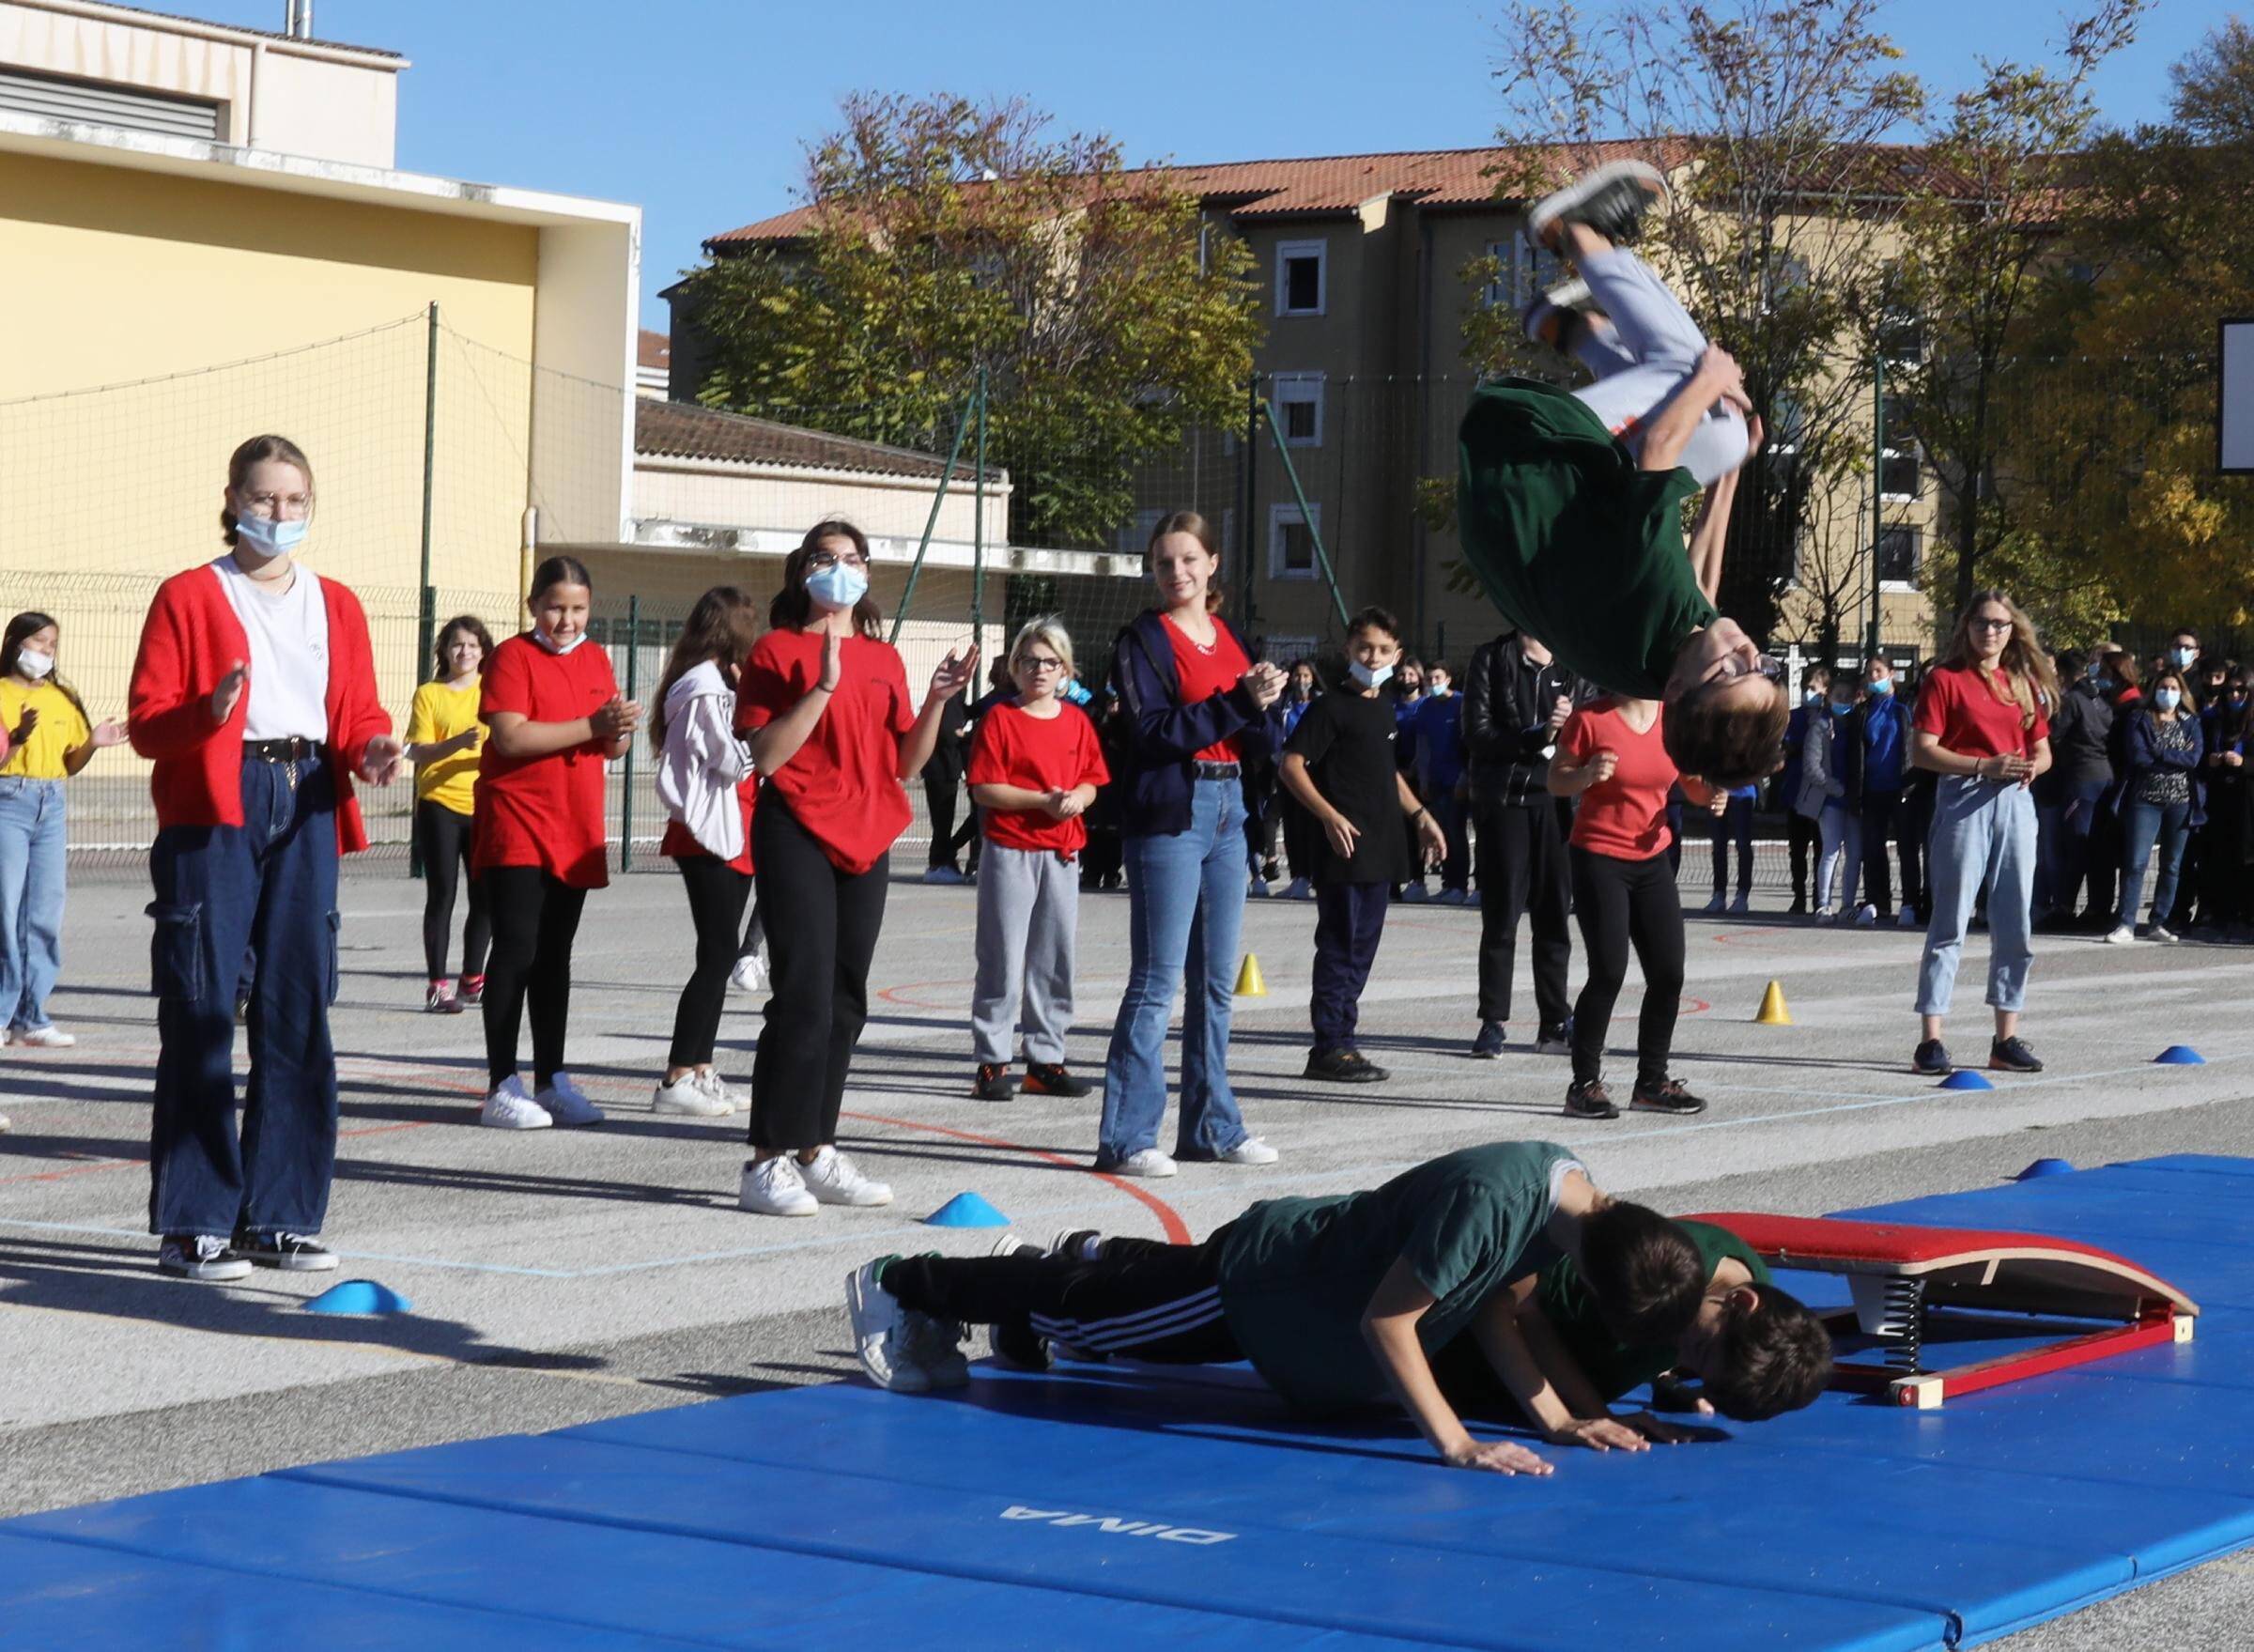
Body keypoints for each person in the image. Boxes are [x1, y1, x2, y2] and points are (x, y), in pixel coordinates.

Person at [844, 1141, 1708, 1476]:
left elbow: (1503, 1310)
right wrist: (1458, 1442)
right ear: (1596, 1269)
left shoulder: (1575, 1204)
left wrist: (1565, 1418)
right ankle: (904, 1280)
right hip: (1273, 1289)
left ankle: (1060, 1275)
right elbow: (1389, 1323)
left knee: (1106, 1308)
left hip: (1301, 1296)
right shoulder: (1498, 1202)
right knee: (1099, 1321)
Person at [129, 433, 403, 1281]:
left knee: (297, 1010)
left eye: (293, 500)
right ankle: (194, 1222)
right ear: (233, 498)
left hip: (308, 793)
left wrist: (374, 750)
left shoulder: (338, 603)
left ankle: (276, 1215)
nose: (278, 513)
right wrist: (206, 713)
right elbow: (147, 723)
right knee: (204, 1008)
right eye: (263, 497)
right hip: (220, 801)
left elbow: (356, 712)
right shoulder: (188, 595)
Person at [1457, 159, 1784, 792]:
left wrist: (1713, 379)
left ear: (1681, 688)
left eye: (1732, 670)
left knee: (1694, 371)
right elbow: (1700, 583)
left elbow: (1660, 447)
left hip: (1522, 459)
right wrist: (1729, 479)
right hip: (1527, 511)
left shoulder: (1645, 605)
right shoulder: (1659, 661)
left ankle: (1572, 231)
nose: (1747, 650)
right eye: (1761, 666)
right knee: (1721, 435)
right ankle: (1567, 327)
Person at [736, 520, 978, 1216]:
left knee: (846, 998)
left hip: (868, 833)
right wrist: (820, 688)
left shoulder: (883, 658)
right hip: (797, 828)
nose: (838, 570)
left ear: (867, 573)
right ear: (802, 571)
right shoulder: (775, 651)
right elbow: (768, 757)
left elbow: (904, 763)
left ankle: (817, 1146)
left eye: (850, 559)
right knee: (802, 996)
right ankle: (766, 1159)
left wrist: (935, 699)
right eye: (824, 558)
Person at [1097, 510, 1285, 1178]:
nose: (1175, 572)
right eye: (1162, 563)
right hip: (1174, 811)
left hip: (1231, 806)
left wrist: (1266, 706)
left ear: (1212, 565)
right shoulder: (1143, 639)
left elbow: (1256, 734)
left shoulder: (1232, 636)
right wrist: (1240, 701)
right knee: (1155, 980)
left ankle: (1210, 1124)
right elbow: (1150, 730)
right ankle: (1126, 1137)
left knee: (1214, 983)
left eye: (1187, 560)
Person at [471, 555, 640, 1131]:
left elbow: (607, 746)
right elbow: (512, 737)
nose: (566, 619)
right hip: (518, 821)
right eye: (555, 607)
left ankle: (553, 1079)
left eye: (577, 609)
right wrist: (594, 726)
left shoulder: (595, 657)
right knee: (516, 950)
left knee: (555, 958)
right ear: (533, 606)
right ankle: (501, 1083)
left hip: (575, 828)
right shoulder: (512, 657)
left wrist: (617, 729)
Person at [1430, 1215, 1834, 1426]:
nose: (1687, 1359)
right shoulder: (1650, 1271)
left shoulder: (1751, 1301)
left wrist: (1667, 1383)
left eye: (1701, 1373)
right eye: (1700, 1350)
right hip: (1455, 1349)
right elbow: (1516, 1301)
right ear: (1739, 1302)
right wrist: (1592, 1414)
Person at [1279, 607, 1448, 1085]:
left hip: (1381, 847)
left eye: (1381, 650)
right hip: (1344, 848)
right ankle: (1329, 1045)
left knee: (1362, 949)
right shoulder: (1330, 707)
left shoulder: (1384, 708)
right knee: (1340, 945)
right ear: (1347, 651)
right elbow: (1292, 766)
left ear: (1396, 655)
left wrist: (1420, 816)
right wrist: (1329, 816)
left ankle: (1344, 1040)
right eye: (1363, 648)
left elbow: (1387, 773)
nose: (1372, 657)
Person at [1548, 694, 1724, 1119]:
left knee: (1668, 972)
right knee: (1608, 970)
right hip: (1598, 856)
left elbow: (1692, 784)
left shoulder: (1673, 720)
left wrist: (1715, 792)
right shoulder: (1591, 718)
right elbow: (1556, 780)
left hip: (1653, 860)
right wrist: (1587, 774)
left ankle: (1651, 1082)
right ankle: (1584, 1085)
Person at [1909, 593, 2055, 1077]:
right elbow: (1924, 751)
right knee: (1950, 919)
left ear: (2012, 630)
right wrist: (1981, 764)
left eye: (1999, 624)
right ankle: (1932, 1039)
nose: (1989, 632)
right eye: (1980, 623)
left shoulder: (2022, 683)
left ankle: (2006, 1037)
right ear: (1966, 626)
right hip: (1964, 795)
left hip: (2015, 801)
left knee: (2015, 922)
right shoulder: (1944, 679)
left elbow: (2043, 750)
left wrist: (2033, 766)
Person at [965, 615, 1109, 1102]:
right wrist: (1040, 801)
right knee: (1002, 956)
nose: (1040, 671)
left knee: (1054, 957)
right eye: (1030, 661)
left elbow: (1092, 779)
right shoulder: (1001, 719)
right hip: (1011, 849)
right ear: (1016, 667)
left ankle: (1046, 1058)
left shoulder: (1077, 721)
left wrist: (1078, 800)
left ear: (1065, 669)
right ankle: (992, 1060)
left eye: (1050, 662)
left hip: (1062, 851)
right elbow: (985, 787)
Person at [650, 586, 764, 1119]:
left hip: (734, 826)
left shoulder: (715, 681)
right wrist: (759, 744)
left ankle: (700, 1066)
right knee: (717, 952)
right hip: (709, 830)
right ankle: (676, 1073)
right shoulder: (703, 687)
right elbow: (731, 758)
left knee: (719, 953)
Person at [0, 612, 123, 1046]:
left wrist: (93, 742)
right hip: (7, 800)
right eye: (36, 642)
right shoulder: (0, 693)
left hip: (50, 804)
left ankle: (30, 1017)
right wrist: (15, 740)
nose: (44, 652)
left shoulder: (61, 697)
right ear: (15, 643)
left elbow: (71, 763)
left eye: (51, 645)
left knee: (44, 911)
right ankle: (1, 1014)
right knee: (4, 908)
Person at [1464, 629, 1579, 1058]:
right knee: (1501, 916)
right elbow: (1476, 733)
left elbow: (1591, 727)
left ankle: (1555, 1022)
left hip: (1558, 799)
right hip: (1506, 798)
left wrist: (1570, 730)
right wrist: (1536, 735)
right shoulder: (1492, 658)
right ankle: (1493, 1021)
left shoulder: (1573, 660)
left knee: (1554, 915)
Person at [401, 615, 493, 1015]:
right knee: (443, 894)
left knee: (486, 895)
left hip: (484, 803)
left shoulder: (493, 692)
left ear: (483, 651)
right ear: (444, 651)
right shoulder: (430, 694)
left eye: (472, 645)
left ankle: (473, 978)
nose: (465, 652)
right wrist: (454, 743)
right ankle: (437, 987)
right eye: (457, 644)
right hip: (439, 802)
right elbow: (416, 750)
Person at [2105, 667, 2202, 946]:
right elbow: (2139, 757)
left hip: (2181, 801)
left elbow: (2193, 759)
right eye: (2163, 688)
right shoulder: (2140, 718)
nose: (2168, 693)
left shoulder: (2190, 721)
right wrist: (2174, 756)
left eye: (2173, 688)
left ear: (2181, 692)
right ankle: (2126, 922)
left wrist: (2160, 751)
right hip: (2145, 799)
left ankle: (2158, 921)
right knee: (2136, 862)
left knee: (2171, 865)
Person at [2033, 648, 2113, 934]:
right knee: (2096, 846)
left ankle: (2064, 907)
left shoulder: (2073, 701)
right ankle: (2097, 907)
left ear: (2064, 674)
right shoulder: (2100, 701)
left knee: (2075, 845)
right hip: (2103, 774)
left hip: (2080, 776)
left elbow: (2053, 735)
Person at [1848, 657, 1913, 926]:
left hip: (1901, 787)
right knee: (1872, 848)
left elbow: (1912, 746)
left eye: (1879, 671)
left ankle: (1910, 903)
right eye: (1870, 673)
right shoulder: (1864, 711)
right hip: (1872, 788)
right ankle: (1877, 902)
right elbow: (1857, 751)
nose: (1874, 676)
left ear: (1891, 674)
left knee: (1907, 848)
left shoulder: (1904, 707)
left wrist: (1912, 784)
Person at [1412, 661, 1472, 902]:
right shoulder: (1426, 707)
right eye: (1429, 679)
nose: (1433, 683)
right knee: (1442, 833)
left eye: (1437, 678)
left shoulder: (1461, 704)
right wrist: (1424, 779)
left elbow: (1468, 743)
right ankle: (1448, 883)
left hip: (1455, 779)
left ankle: (1460, 885)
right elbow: (1423, 746)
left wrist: (1464, 777)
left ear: (1448, 679)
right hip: (1436, 780)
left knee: (1457, 833)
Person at [1804, 675, 1862, 922]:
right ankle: (1824, 904)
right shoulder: (1820, 726)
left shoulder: (1857, 723)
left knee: (1855, 853)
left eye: (1848, 698)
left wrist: (1856, 790)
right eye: (1839, 697)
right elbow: (1812, 767)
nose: (1844, 702)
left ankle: (1847, 904)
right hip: (1831, 799)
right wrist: (1835, 788)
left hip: (1855, 798)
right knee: (1830, 851)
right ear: (1828, 698)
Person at [1779, 667, 1829, 915]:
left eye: (1813, 688)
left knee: (1821, 847)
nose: (1808, 693)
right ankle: (1799, 896)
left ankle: (1820, 898)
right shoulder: (1793, 717)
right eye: (1805, 688)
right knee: (1797, 848)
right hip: (1796, 791)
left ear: (1825, 691)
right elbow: (1786, 747)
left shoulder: (1830, 718)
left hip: (1821, 793)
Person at [919, 688, 976, 886]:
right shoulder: (949, 706)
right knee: (942, 820)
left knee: (944, 820)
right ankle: (939, 863)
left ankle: (944, 859)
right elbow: (949, 734)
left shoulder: (951, 704)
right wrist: (966, 737)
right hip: (941, 770)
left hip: (942, 769)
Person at [1275, 657, 1321, 899]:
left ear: (1313, 678)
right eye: (1297, 676)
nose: (1301, 680)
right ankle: (1298, 877)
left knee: (1311, 825)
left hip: (1313, 773)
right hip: (1288, 770)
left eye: (1306, 676)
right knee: (1292, 824)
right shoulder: (1284, 705)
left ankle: (1314, 875)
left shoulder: (1320, 704)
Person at [1391, 658, 1429, 901]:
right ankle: (1393, 882)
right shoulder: (1390, 707)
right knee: (1394, 832)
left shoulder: (1426, 706)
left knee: (1417, 830)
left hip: (1417, 776)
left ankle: (1418, 879)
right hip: (1393, 775)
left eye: (1412, 674)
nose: (1407, 679)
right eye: (1403, 675)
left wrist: (1415, 769)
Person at [1703, 780, 1756, 917]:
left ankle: (1742, 896)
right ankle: (1719, 894)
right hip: (1717, 791)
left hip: (1743, 793)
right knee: (1718, 843)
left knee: (1743, 843)